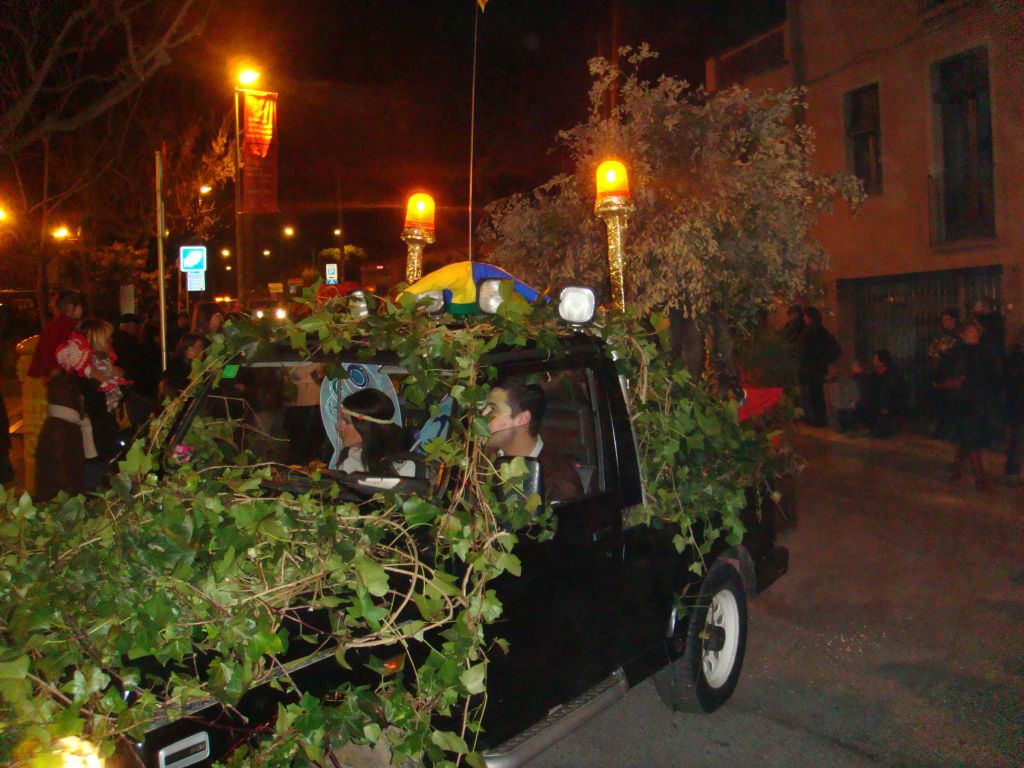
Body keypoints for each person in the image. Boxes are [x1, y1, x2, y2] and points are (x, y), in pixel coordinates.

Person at [484, 378, 583, 503]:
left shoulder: (557, 482)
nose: (482, 415)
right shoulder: (481, 463)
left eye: (492, 409)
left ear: (522, 418)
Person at [937, 321, 1000, 490]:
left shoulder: (985, 352)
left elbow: (989, 375)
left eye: (974, 332)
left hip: (977, 400)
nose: (972, 334)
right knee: (966, 437)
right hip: (961, 400)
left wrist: (966, 380)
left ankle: (968, 473)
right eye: (968, 332)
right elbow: (948, 369)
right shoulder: (958, 351)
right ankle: (976, 477)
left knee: (969, 437)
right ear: (963, 334)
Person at [34, 371, 96, 501]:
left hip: (64, 495)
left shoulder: (69, 423)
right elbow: (60, 470)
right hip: (59, 499)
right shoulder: (61, 427)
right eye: (77, 394)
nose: (82, 398)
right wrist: (71, 498)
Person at [334, 389, 409, 475]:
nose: (339, 428)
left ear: (368, 426)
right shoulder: (349, 459)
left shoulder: (402, 465)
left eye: (346, 422)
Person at [798, 307, 842, 427]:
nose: (804, 318)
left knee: (815, 393)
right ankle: (812, 418)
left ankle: (818, 419)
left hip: (814, 368)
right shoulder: (808, 331)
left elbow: (835, 350)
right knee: (809, 393)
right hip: (808, 367)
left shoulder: (820, 332)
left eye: (806, 316)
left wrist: (822, 361)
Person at [27, 290, 83, 379]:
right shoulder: (65, 326)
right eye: (80, 306)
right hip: (61, 375)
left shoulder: (57, 324)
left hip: (56, 373)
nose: (82, 309)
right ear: (70, 307)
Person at [854, 350, 908, 438]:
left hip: (889, 409)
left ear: (882, 362)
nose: (873, 361)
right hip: (877, 406)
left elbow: (896, 396)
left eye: (875, 359)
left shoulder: (892, 377)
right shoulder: (875, 376)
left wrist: (887, 408)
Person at [928, 308, 961, 438]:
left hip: (951, 372)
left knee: (950, 403)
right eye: (943, 320)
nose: (944, 322)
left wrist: (943, 351)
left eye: (946, 319)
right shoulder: (941, 334)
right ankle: (941, 430)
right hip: (939, 371)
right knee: (940, 402)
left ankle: (949, 431)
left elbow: (952, 353)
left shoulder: (957, 335)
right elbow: (932, 349)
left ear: (953, 320)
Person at [1003, 328, 1024, 484]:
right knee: (1018, 438)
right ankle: (1012, 472)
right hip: (1020, 404)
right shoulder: (1016, 357)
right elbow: (1012, 381)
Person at [161, 333, 205, 398]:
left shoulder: (204, 363)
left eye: (201, 347)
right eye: (195, 348)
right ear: (186, 349)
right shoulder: (176, 364)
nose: (198, 351)